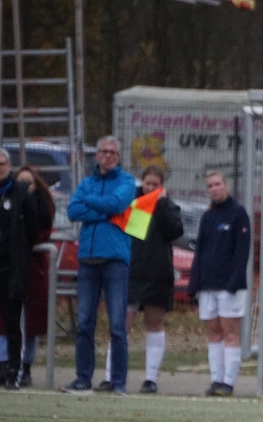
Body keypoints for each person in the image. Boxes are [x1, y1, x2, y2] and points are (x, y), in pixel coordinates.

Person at [98, 165, 184, 394]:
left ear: (162, 186)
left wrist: (162, 204)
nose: (151, 188)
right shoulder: (130, 203)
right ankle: (111, 376)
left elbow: (174, 232)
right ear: (141, 182)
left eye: (155, 185)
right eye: (147, 183)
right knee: (121, 325)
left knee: (154, 323)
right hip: (130, 272)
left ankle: (150, 378)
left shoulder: (169, 206)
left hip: (158, 273)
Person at [62, 136, 137, 395]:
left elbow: (118, 204)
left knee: (117, 324)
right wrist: (106, 210)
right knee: (84, 323)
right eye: (104, 152)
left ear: (118, 156)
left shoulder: (126, 182)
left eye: (113, 153)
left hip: (115, 260)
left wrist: (91, 202)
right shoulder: (87, 182)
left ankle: (118, 382)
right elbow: (72, 211)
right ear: (97, 155)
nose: (108, 156)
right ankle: (83, 378)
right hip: (88, 261)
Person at [187, 170, 251, 397]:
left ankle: (228, 382)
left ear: (226, 185)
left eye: (217, 184)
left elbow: (241, 252)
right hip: (208, 286)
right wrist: (194, 283)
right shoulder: (207, 217)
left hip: (229, 286)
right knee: (213, 331)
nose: (214, 189)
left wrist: (234, 281)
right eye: (210, 186)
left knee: (230, 331)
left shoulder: (238, 214)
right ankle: (216, 379)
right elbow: (201, 251)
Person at [0, 165, 53, 387]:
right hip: (4, 269)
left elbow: (37, 232)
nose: (25, 186)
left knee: (24, 324)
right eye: (22, 181)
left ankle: (21, 368)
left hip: (29, 271)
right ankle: (3, 364)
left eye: (29, 182)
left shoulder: (38, 203)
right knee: (1, 320)